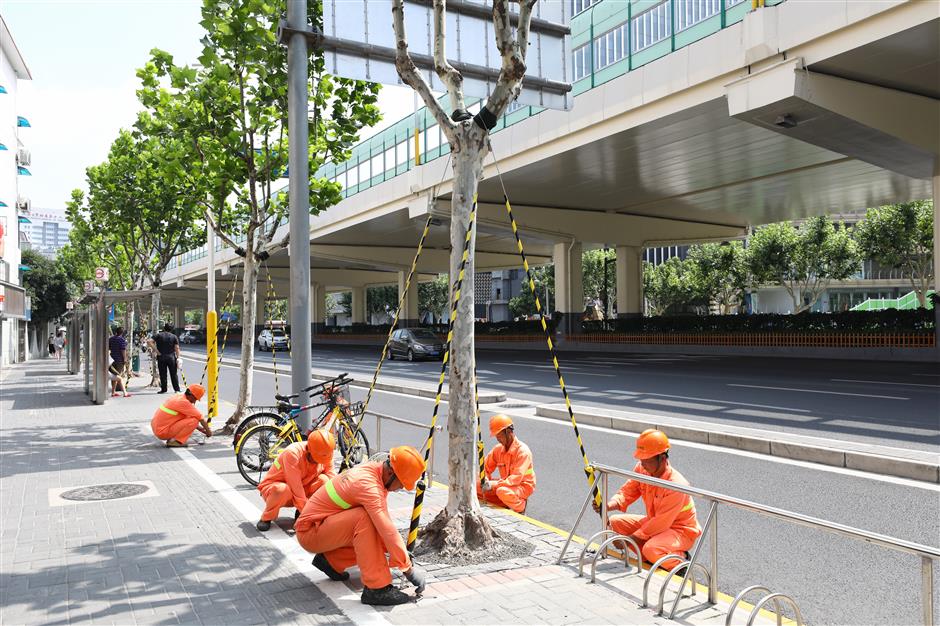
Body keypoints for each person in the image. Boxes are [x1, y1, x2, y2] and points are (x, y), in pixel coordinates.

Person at [295, 446, 427, 606]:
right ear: (391, 473)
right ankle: (377, 589)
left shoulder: (374, 471)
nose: (400, 488)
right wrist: (408, 570)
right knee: (364, 520)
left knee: (371, 529)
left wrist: (400, 554)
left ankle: (331, 561)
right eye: (402, 484)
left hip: (321, 527)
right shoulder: (369, 486)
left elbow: (383, 529)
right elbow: (387, 530)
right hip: (310, 533)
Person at [593, 429, 701, 571]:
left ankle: (681, 561)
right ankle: (649, 558)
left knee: (651, 548)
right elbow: (628, 491)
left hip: (680, 531)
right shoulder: (642, 469)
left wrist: (629, 539)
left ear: (662, 458)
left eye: (646, 460)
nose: (642, 464)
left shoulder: (676, 485)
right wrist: (608, 505)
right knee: (614, 524)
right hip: (655, 522)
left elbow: (660, 522)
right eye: (641, 459)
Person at [256, 429, 337, 532]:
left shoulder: (325, 452)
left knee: (324, 481)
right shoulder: (292, 453)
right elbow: (296, 487)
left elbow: (332, 481)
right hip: (277, 490)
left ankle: (300, 513)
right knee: (282, 489)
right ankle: (266, 517)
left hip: (303, 486)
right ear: (309, 450)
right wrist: (309, 515)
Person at [476, 414, 536, 513]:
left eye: (499, 435)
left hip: (522, 486)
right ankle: (505, 502)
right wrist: (484, 479)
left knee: (502, 492)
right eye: (496, 436)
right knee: (476, 488)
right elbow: (485, 468)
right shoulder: (498, 449)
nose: (498, 439)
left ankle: (521, 507)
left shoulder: (523, 452)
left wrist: (493, 485)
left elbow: (515, 479)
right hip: (504, 484)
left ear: (508, 432)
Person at [150, 323, 181, 394]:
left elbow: (149, 341)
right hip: (171, 357)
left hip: (161, 357)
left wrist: (157, 351)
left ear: (164, 328)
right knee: (173, 374)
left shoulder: (158, 335)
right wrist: (178, 357)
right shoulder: (174, 336)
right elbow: (177, 348)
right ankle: (177, 389)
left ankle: (164, 389)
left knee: (163, 374)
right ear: (172, 329)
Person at [108, 327, 129, 397]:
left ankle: (113, 392)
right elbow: (123, 350)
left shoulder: (111, 339)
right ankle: (125, 392)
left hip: (112, 360)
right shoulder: (122, 340)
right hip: (119, 360)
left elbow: (108, 348)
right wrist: (125, 359)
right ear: (122, 333)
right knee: (117, 376)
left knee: (114, 375)